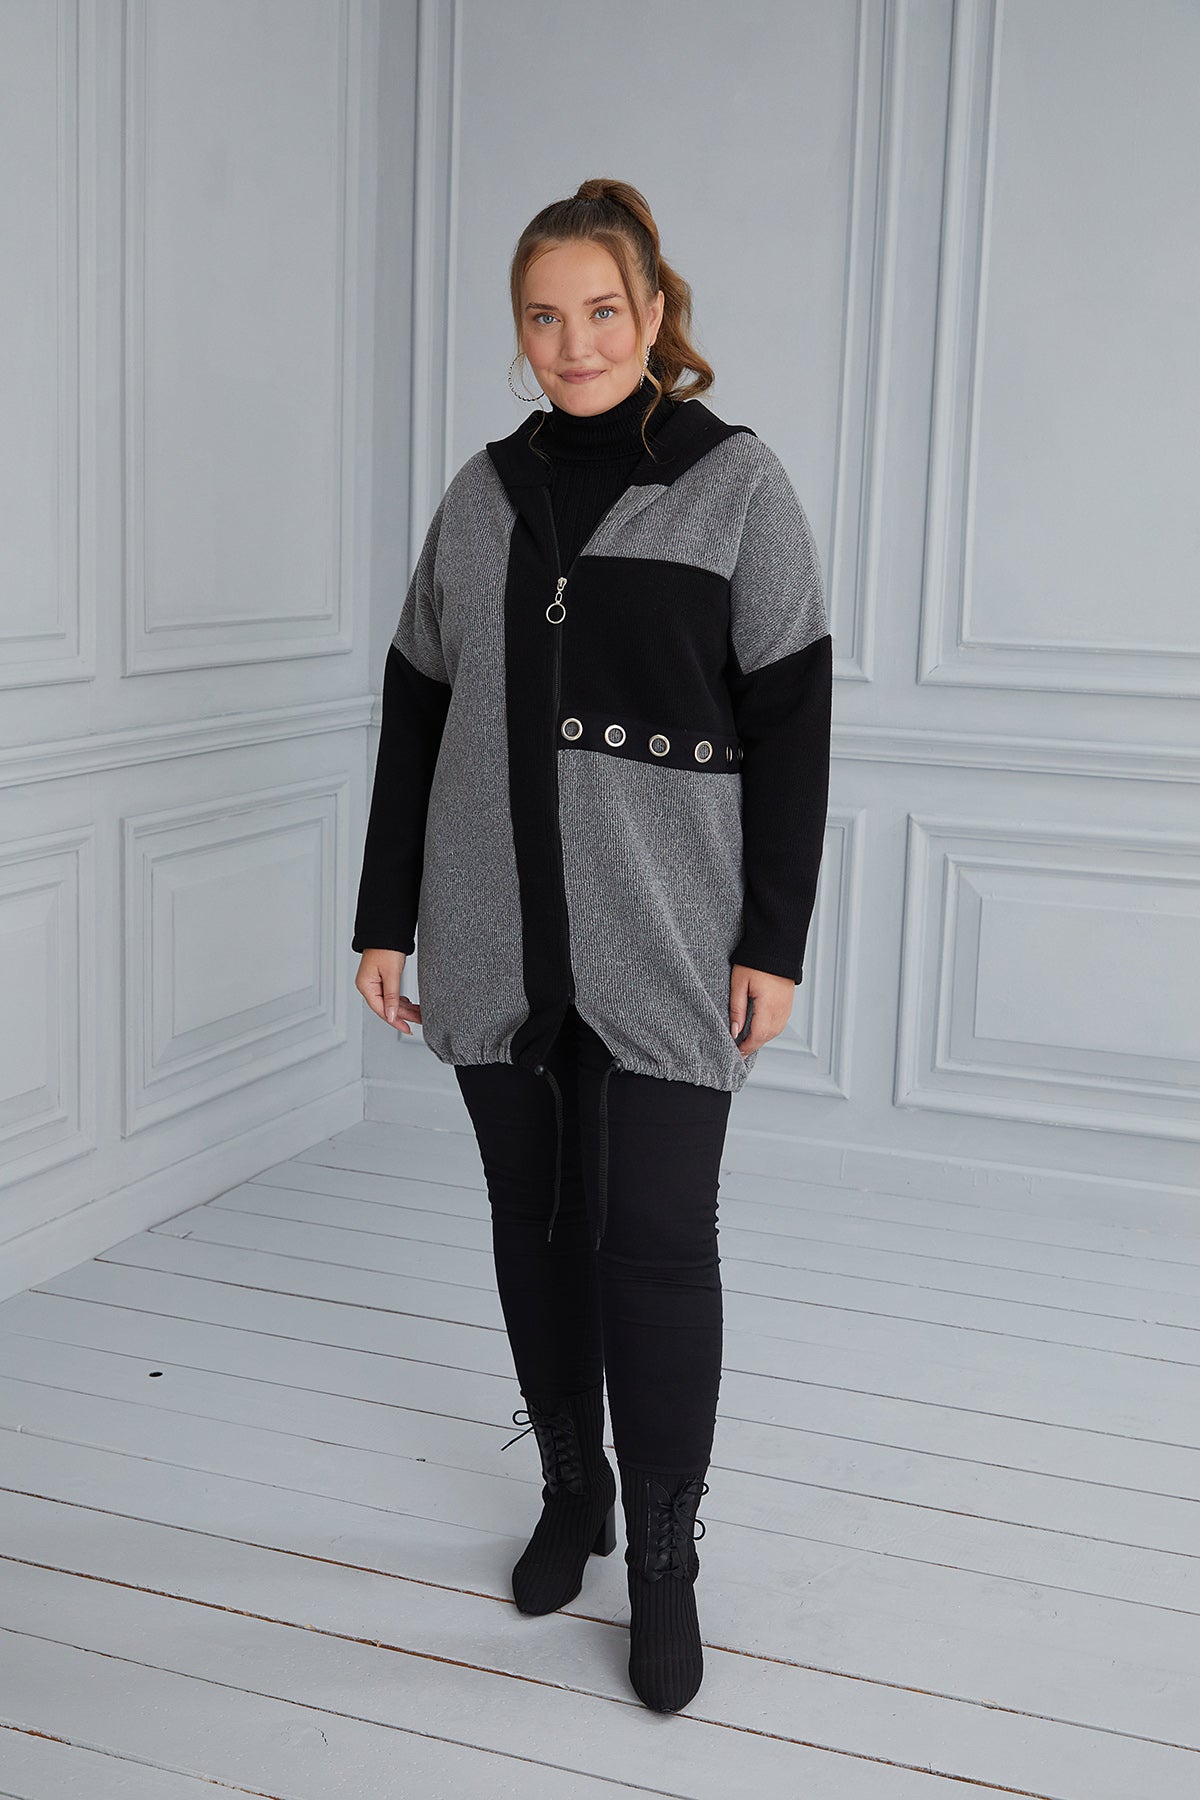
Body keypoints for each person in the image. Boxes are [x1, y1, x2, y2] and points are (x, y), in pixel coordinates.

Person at [352, 177, 833, 1714]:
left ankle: (669, 1558)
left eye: (602, 311)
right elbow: (416, 701)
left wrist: (775, 941)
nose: (574, 342)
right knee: (535, 1222)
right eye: (544, 317)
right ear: (520, 329)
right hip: (492, 930)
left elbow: (793, 719)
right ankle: (577, 1490)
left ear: (654, 312)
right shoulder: (481, 494)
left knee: (660, 1244)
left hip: (670, 937)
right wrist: (383, 916)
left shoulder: (734, 486)